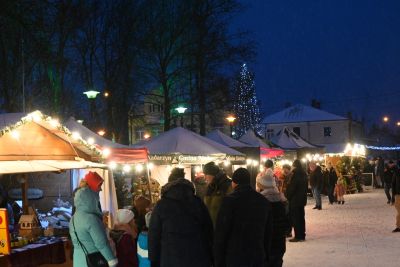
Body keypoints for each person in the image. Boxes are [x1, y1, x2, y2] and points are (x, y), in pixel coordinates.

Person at [148, 168, 213, 267]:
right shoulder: (197, 203)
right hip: (198, 257)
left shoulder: (161, 205)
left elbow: (154, 236)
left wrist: (154, 261)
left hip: (171, 258)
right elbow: (209, 232)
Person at [214, 168, 272, 267]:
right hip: (256, 254)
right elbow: (268, 231)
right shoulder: (263, 201)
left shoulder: (229, 201)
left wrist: (218, 258)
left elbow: (221, 232)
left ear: (234, 183)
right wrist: (266, 254)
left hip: (235, 255)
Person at [69, 182, 118, 267]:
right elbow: (101, 243)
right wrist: (112, 260)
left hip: (78, 260)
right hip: (93, 260)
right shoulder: (91, 219)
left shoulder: (72, 219)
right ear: (91, 199)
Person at [256, 169, 290, 267]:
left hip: (266, 243)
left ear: (263, 186)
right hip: (279, 243)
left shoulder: (261, 202)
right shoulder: (282, 201)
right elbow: (288, 222)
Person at [203, 161, 233, 227]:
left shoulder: (227, 185)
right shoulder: (210, 188)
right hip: (211, 229)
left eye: (206, 174)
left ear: (212, 174)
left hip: (223, 229)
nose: (204, 178)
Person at [285, 159, 308, 242]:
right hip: (302, 200)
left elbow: (292, 188)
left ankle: (298, 236)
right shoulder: (304, 174)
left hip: (295, 200)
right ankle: (302, 235)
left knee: (296, 218)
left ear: (294, 166)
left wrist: (288, 196)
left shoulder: (294, 174)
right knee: (301, 217)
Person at [392, 167, 400, 232]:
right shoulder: (396, 172)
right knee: (399, 211)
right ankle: (398, 226)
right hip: (398, 194)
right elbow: (393, 184)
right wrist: (393, 196)